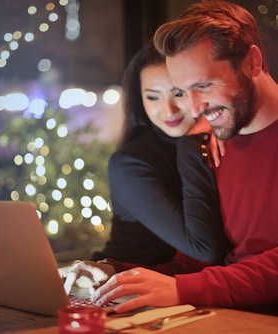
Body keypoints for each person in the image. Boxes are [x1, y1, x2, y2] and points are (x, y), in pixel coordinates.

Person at [65, 0, 278, 312]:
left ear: (252, 63)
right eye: (183, 90)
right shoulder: (216, 138)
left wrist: (183, 288)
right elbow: (197, 263)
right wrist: (118, 274)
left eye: (203, 85)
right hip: (225, 312)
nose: (193, 110)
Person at [90, 40, 229, 270]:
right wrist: (191, 142)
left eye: (178, 93)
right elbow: (205, 249)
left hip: (176, 291)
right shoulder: (129, 164)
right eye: (152, 97)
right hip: (123, 288)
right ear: (139, 99)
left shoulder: (219, 140)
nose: (168, 110)